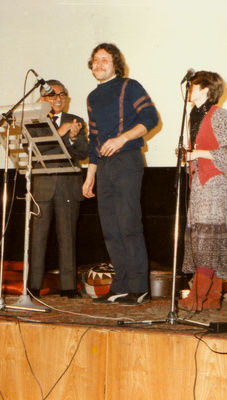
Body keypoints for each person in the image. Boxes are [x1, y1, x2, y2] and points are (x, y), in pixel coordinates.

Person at [82, 43, 159, 306]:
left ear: (116, 63)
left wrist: (122, 139)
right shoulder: (92, 97)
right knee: (111, 229)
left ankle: (139, 287)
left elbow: (150, 118)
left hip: (127, 160)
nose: (99, 64)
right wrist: (90, 174)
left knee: (128, 225)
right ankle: (121, 285)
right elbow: (94, 139)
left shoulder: (129, 86)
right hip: (104, 167)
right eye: (95, 60)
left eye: (105, 59)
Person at [177, 71, 227, 312]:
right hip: (200, 183)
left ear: (205, 89)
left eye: (193, 86)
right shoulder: (193, 114)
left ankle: (196, 297)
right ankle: (212, 298)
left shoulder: (219, 115)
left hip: (214, 184)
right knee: (208, 238)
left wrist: (197, 154)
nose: (189, 90)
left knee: (207, 240)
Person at [29, 79, 88, 298]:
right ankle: (33, 286)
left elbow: (83, 153)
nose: (58, 99)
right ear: (42, 99)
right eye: (52, 95)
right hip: (42, 186)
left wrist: (73, 138)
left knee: (67, 237)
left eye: (62, 95)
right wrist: (61, 132)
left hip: (68, 186)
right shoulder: (35, 120)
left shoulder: (77, 121)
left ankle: (68, 287)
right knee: (37, 238)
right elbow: (36, 150)